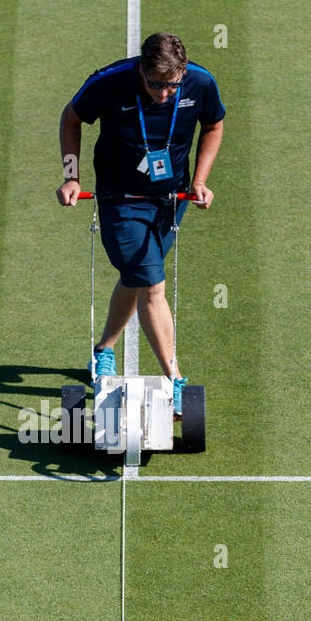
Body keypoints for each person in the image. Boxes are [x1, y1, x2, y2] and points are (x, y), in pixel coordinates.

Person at [56, 32, 224, 414]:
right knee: (151, 281)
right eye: (155, 85)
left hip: (171, 199)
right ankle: (175, 378)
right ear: (140, 72)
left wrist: (199, 181)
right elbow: (71, 117)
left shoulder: (200, 82)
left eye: (171, 85)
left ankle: (103, 351)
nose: (164, 94)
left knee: (137, 276)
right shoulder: (109, 82)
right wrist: (71, 175)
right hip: (121, 201)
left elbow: (213, 125)